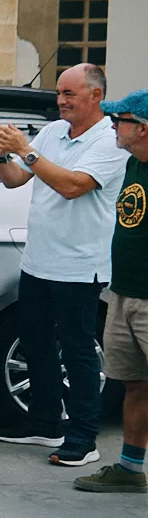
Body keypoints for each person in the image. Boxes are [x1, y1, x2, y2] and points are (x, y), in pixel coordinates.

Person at [0, 64, 129, 463]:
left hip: (80, 266)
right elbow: (16, 179)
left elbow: (71, 186)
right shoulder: (52, 132)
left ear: (95, 96)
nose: (61, 101)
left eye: (70, 94)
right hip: (38, 261)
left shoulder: (109, 141)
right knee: (37, 344)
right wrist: (1, 155)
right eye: (59, 94)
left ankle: (83, 439)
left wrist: (25, 149)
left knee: (78, 351)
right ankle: (44, 423)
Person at [76, 88, 148, 493]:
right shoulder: (131, 165)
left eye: (119, 120)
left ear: (142, 128)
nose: (112, 126)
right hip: (123, 292)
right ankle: (129, 469)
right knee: (135, 384)